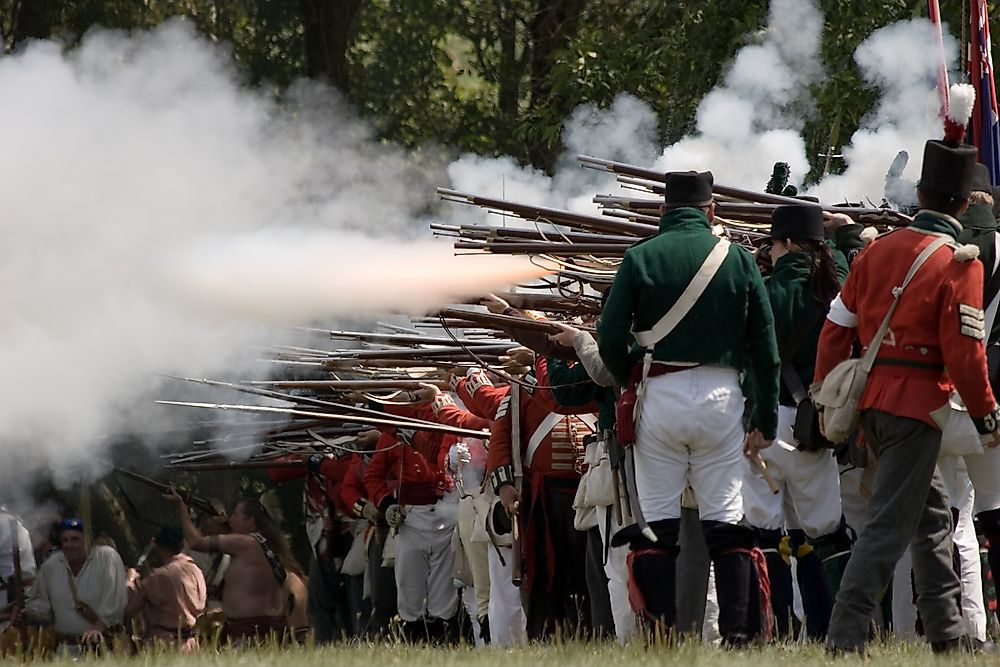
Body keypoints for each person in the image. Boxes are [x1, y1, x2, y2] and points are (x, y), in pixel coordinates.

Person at [813, 137, 1000, 654]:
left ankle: (948, 634)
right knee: (888, 528)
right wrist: (986, 415)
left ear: (919, 193)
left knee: (933, 519)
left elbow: (835, 325)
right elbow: (965, 355)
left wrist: (826, 392)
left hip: (873, 403)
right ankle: (844, 637)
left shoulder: (875, 251)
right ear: (963, 204)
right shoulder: (961, 264)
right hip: (918, 409)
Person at [597, 170, 780, 646]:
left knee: (658, 525)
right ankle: (739, 639)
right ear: (711, 210)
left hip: (659, 394)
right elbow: (765, 348)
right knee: (726, 521)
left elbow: (610, 337)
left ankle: (663, 639)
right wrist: (764, 419)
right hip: (723, 397)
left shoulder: (639, 256)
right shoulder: (738, 259)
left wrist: (627, 377)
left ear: (663, 211)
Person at [741, 204, 855, 639]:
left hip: (763, 424)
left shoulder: (764, 291)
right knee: (825, 531)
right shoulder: (836, 285)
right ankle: (837, 629)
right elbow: (847, 268)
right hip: (816, 425)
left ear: (785, 244)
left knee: (762, 528)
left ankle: (776, 628)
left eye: (772, 244)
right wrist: (844, 236)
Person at [167, 492, 292, 646]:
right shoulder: (263, 543)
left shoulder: (245, 542)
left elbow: (195, 542)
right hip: (261, 629)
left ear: (250, 521)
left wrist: (181, 506)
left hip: (249, 633)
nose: (230, 518)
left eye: (236, 514)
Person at [18, 518, 127, 650]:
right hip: (66, 648)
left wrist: (99, 626)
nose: (69, 545)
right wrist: (29, 613)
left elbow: (115, 598)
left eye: (75, 539)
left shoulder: (106, 558)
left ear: (86, 539)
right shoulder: (51, 566)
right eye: (65, 540)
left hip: (103, 646)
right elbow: (43, 604)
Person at [124, 526, 206, 652]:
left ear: (160, 547)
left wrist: (130, 581)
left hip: (165, 645)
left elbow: (128, 607)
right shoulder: (196, 570)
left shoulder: (158, 577)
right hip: (191, 646)